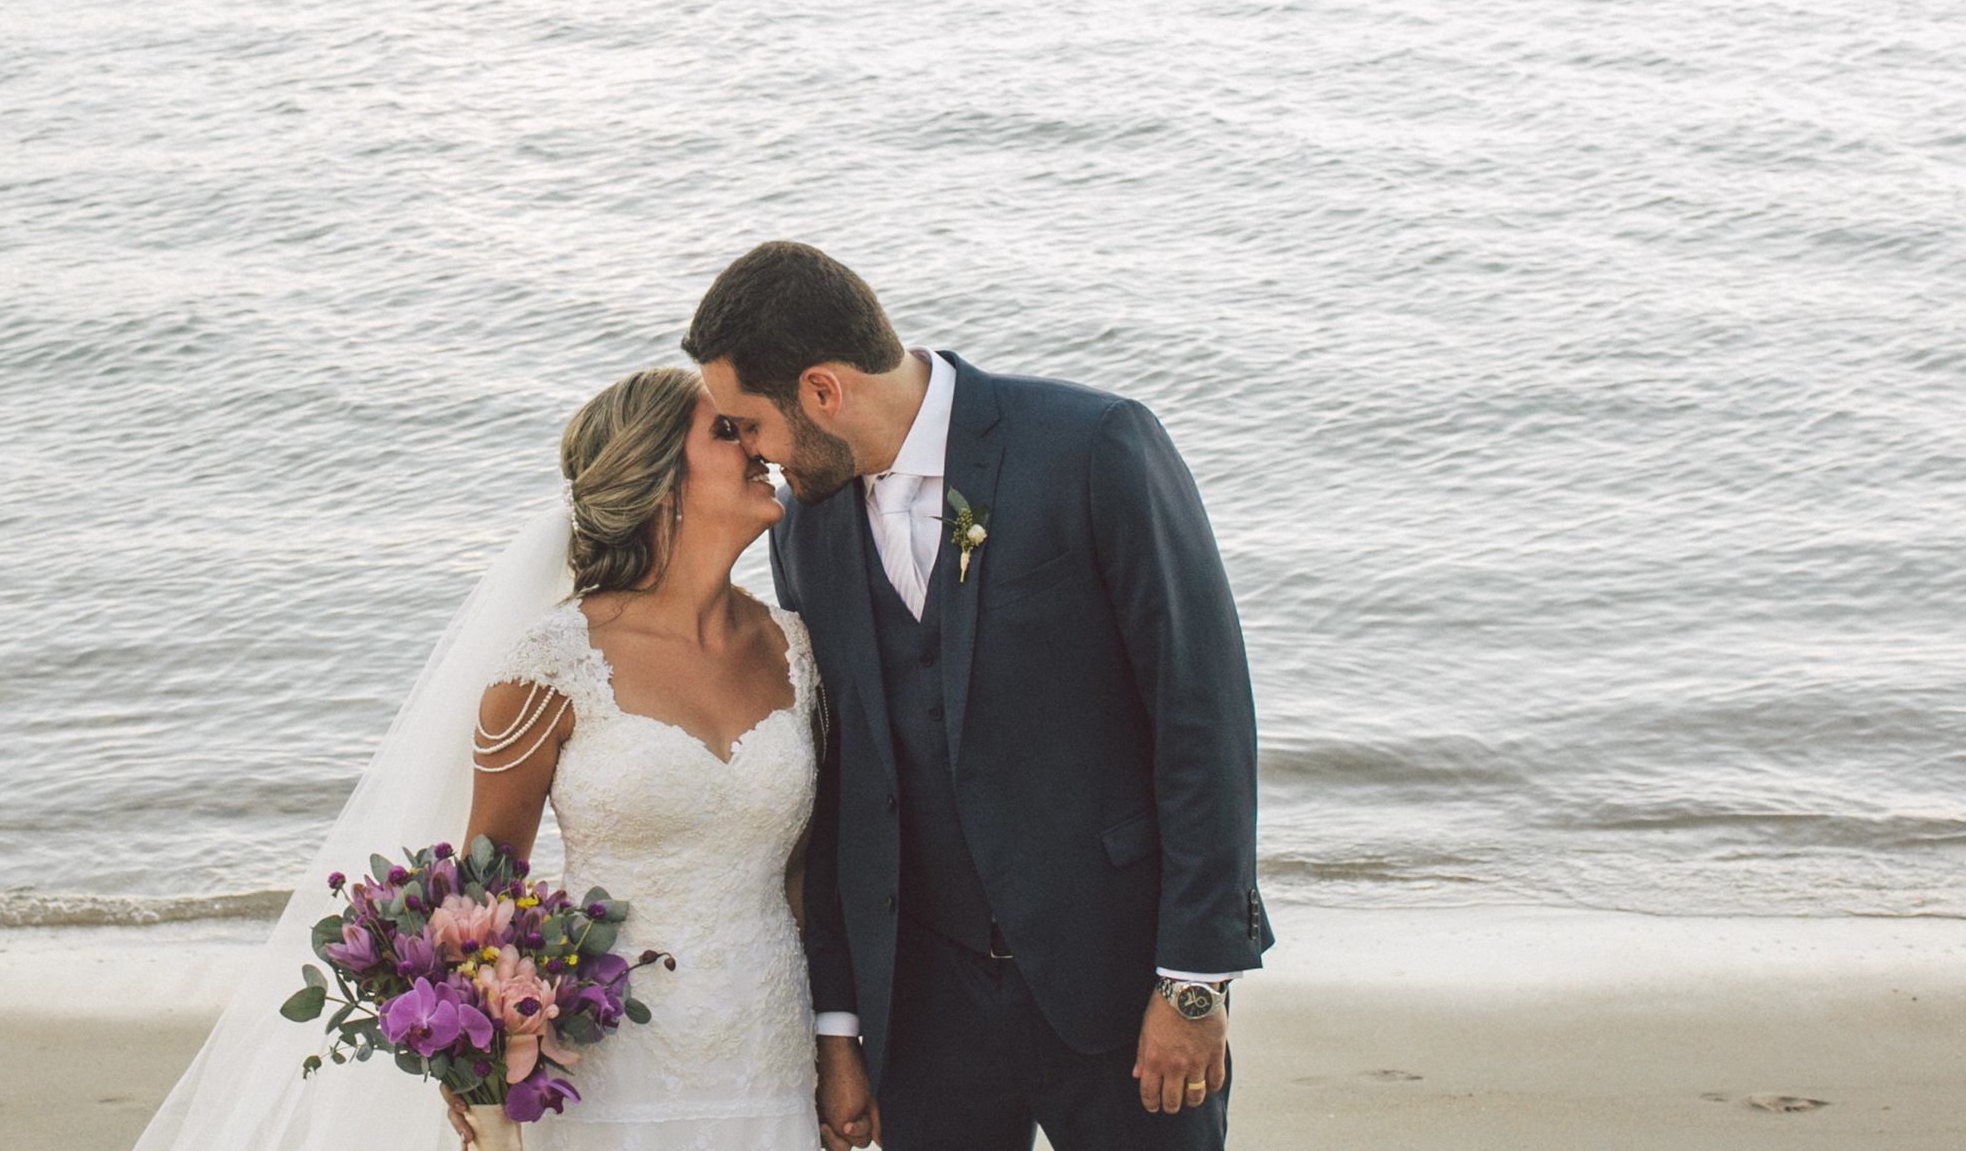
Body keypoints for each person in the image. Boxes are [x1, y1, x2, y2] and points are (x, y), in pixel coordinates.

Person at [134, 367, 823, 1151]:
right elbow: (477, 901)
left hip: (771, 1057)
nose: (761, 446)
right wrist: (478, 1071)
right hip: (613, 1071)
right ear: (659, 476)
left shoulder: (792, 651)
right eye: (728, 432)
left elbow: (804, 880)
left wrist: (838, 1047)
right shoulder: (551, 667)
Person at [683, 242, 1272, 1151]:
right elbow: (839, 780)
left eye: (749, 423)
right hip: (924, 1009)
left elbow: (1203, 714)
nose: (751, 454)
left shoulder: (1093, 446)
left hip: (1117, 985)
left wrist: (1193, 979)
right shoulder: (805, 526)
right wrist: (840, 1026)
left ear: (823, 392)